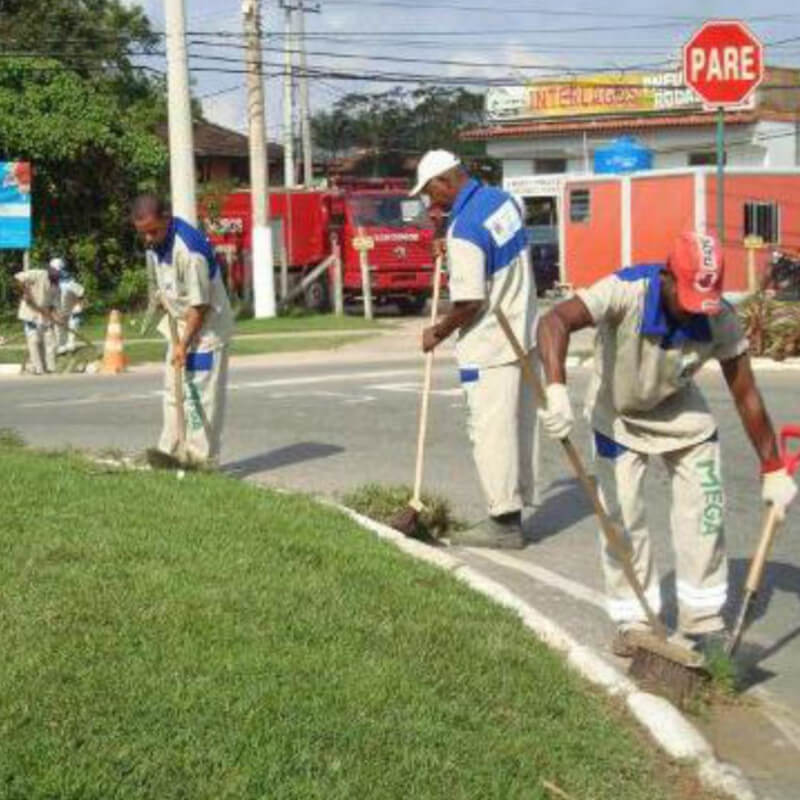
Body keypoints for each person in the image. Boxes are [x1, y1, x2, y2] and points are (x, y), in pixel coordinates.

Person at [536, 231, 798, 654]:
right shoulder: (626, 290)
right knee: (622, 521)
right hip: (618, 415)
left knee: (705, 514)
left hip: (680, 414)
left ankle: (703, 620)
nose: (694, 313)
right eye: (688, 299)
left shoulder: (718, 315)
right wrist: (555, 389)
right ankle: (633, 619)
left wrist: (772, 468)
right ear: (668, 277)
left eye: (705, 301)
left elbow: (745, 393)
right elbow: (554, 321)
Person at [411, 149, 539, 548]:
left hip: (490, 345)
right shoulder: (501, 202)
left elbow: (469, 302)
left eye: (431, 193)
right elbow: (490, 256)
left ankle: (503, 524)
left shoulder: (463, 229)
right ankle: (514, 510)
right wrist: (448, 247)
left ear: (445, 181)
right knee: (518, 428)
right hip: (523, 331)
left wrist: (438, 331)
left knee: (490, 433)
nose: (431, 203)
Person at [131, 194, 234, 466]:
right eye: (143, 234)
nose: (149, 239)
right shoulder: (157, 242)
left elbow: (199, 307)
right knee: (173, 390)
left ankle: (201, 461)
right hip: (180, 327)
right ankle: (171, 452)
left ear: (166, 217)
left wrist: (183, 344)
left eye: (153, 231)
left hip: (206, 332)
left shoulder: (190, 251)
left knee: (199, 397)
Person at [14, 259, 60, 375]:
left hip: (44, 314)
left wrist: (55, 318)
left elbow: (53, 306)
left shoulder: (56, 286)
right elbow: (18, 278)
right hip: (29, 313)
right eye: (54, 272)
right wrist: (26, 293)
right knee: (34, 341)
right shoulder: (38, 274)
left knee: (50, 340)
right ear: (50, 269)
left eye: (58, 273)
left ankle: (50, 367)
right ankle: (38, 368)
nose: (56, 274)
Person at [51, 257, 86, 355]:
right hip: (59, 310)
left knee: (72, 326)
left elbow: (81, 293)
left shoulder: (69, 282)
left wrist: (79, 306)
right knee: (59, 329)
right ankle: (61, 347)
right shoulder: (51, 283)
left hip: (72, 309)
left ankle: (71, 346)